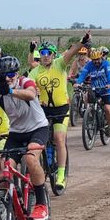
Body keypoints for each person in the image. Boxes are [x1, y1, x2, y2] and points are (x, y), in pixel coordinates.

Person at [0, 56, 50, 220]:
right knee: (2, 168)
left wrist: (11, 91)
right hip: (16, 133)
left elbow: (31, 94)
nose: (8, 78)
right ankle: (8, 206)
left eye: (12, 74)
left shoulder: (25, 82)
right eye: (4, 75)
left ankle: (41, 204)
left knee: (30, 159)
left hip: (38, 129)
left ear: (17, 73)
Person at [28, 31, 91, 190]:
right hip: (43, 110)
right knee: (38, 142)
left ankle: (61, 175)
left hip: (61, 109)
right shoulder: (35, 71)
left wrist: (83, 41)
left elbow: (72, 51)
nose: (45, 56)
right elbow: (28, 86)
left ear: (53, 54)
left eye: (49, 53)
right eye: (43, 53)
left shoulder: (60, 64)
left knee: (59, 138)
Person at [74, 48, 110, 135]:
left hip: (106, 88)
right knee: (89, 102)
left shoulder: (106, 64)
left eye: (97, 59)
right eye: (94, 60)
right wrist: (78, 83)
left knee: (107, 108)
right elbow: (83, 74)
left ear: (101, 57)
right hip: (95, 88)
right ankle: (92, 118)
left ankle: (109, 126)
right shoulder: (89, 65)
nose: (96, 61)